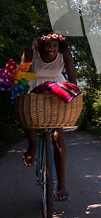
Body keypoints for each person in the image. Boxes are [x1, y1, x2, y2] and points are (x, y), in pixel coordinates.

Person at [21, 29, 77, 201]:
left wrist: (73, 93)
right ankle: (32, 145)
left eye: (54, 45)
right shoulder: (31, 53)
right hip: (32, 87)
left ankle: (61, 186)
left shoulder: (65, 53)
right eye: (47, 45)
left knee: (57, 136)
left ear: (59, 46)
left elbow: (72, 79)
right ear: (40, 44)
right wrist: (20, 91)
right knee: (27, 113)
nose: (51, 49)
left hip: (55, 89)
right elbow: (20, 75)